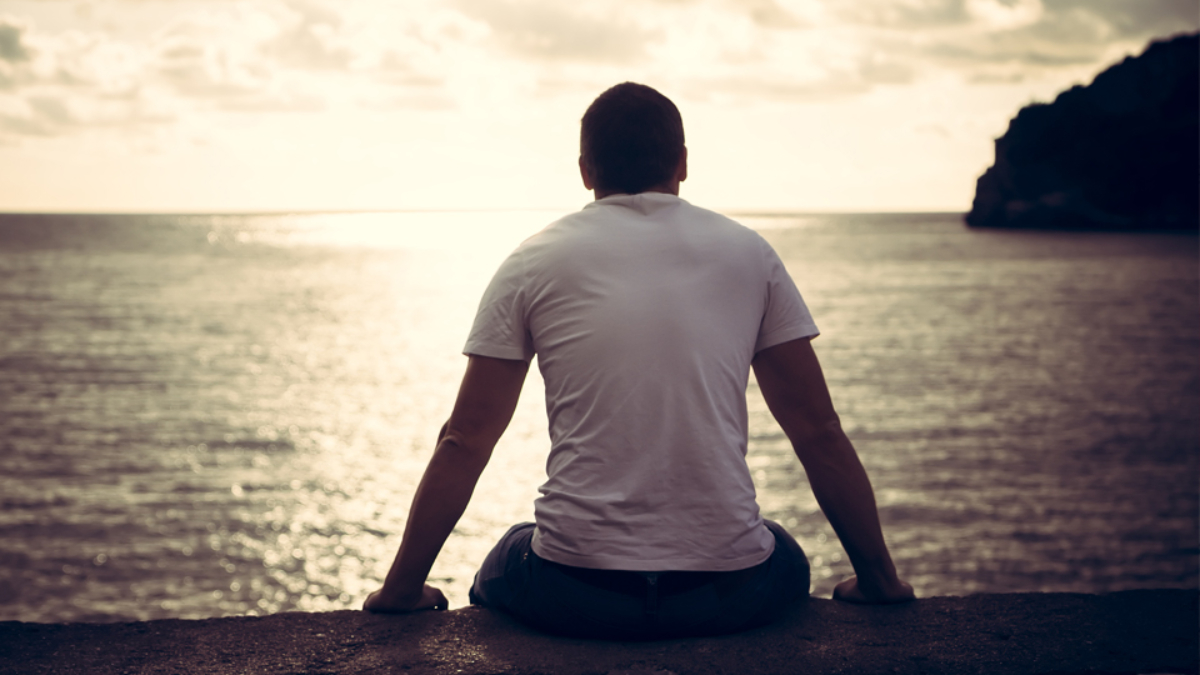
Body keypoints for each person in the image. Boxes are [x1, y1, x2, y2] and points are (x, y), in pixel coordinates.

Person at [363, 82, 913, 639]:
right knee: (780, 547)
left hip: (575, 592)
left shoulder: (531, 260)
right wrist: (880, 583)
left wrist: (401, 591)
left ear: (585, 169)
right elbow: (818, 430)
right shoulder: (750, 253)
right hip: (725, 593)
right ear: (682, 163)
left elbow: (466, 438)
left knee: (509, 551)